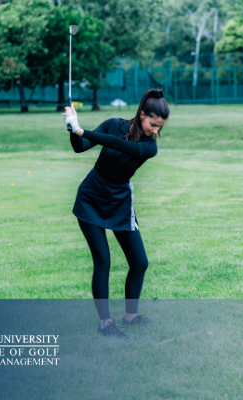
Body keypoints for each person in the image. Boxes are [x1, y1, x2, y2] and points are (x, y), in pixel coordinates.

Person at [62, 89, 169, 338]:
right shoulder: (113, 124)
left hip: (120, 201)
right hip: (91, 198)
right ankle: (105, 324)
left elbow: (119, 145)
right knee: (103, 261)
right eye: (152, 124)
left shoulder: (149, 146)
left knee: (140, 262)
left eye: (159, 127)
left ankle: (130, 316)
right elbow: (81, 146)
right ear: (141, 114)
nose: (155, 131)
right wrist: (72, 128)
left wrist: (82, 130)